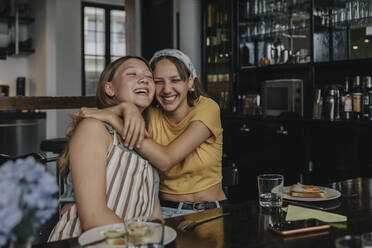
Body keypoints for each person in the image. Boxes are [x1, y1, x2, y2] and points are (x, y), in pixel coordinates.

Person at [77, 49, 228, 218]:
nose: (167, 89)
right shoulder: (149, 113)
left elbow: (166, 160)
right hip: (164, 211)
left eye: (175, 80)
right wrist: (124, 108)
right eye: (158, 81)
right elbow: (78, 124)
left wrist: (114, 118)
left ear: (190, 81)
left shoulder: (207, 107)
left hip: (211, 209)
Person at [48, 56, 162, 242]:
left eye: (149, 77)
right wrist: (145, 244)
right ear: (109, 89)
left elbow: (154, 219)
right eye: (132, 74)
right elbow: (94, 219)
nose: (144, 79)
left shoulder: (147, 146)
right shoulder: (94, 128)